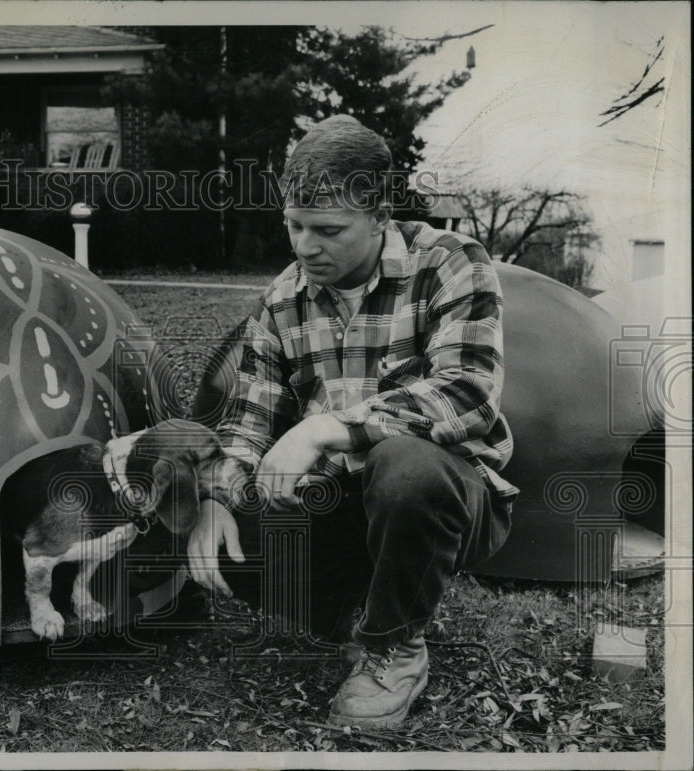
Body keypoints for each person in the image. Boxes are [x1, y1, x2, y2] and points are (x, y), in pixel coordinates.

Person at [186, 115, 518, 729]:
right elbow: (248, 423)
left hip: (448, 496)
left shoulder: (451, 262)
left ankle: (395, 646)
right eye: (294, 225)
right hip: (338, 504)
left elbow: (468, 390)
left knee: (405, 466)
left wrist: (323, 427)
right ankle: (360, 617)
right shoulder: (283, 299)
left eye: (328, 230)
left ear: (380, 216)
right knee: (229, 541)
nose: (305, 247)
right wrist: (216, 499)